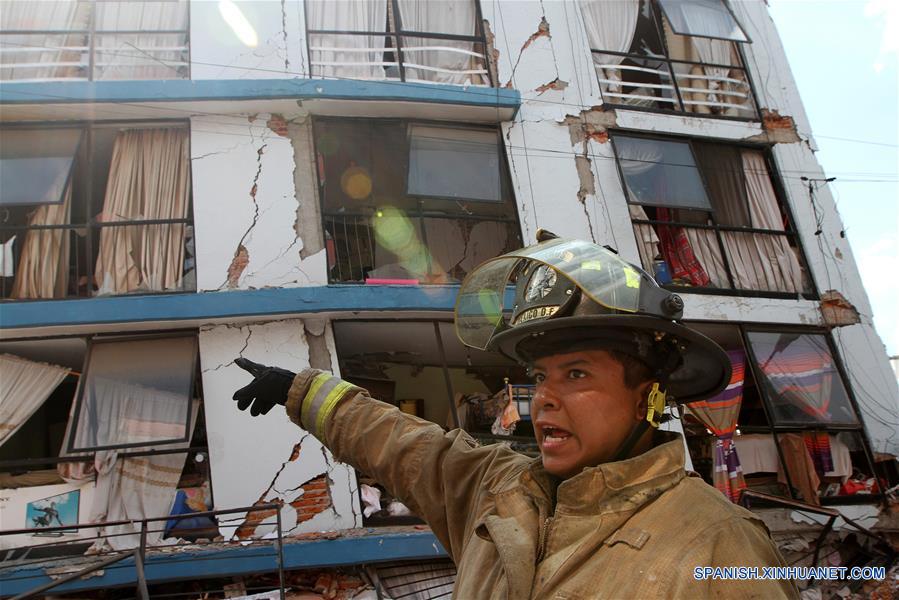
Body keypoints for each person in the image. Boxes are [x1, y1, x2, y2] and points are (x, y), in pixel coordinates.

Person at [233, 232, 798, 599]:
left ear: (646, 395)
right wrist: (302, 392)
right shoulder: (498, 488)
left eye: (576, 375)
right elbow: (406, 446)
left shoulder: (720, 545)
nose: (545, 398)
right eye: (541, 376)